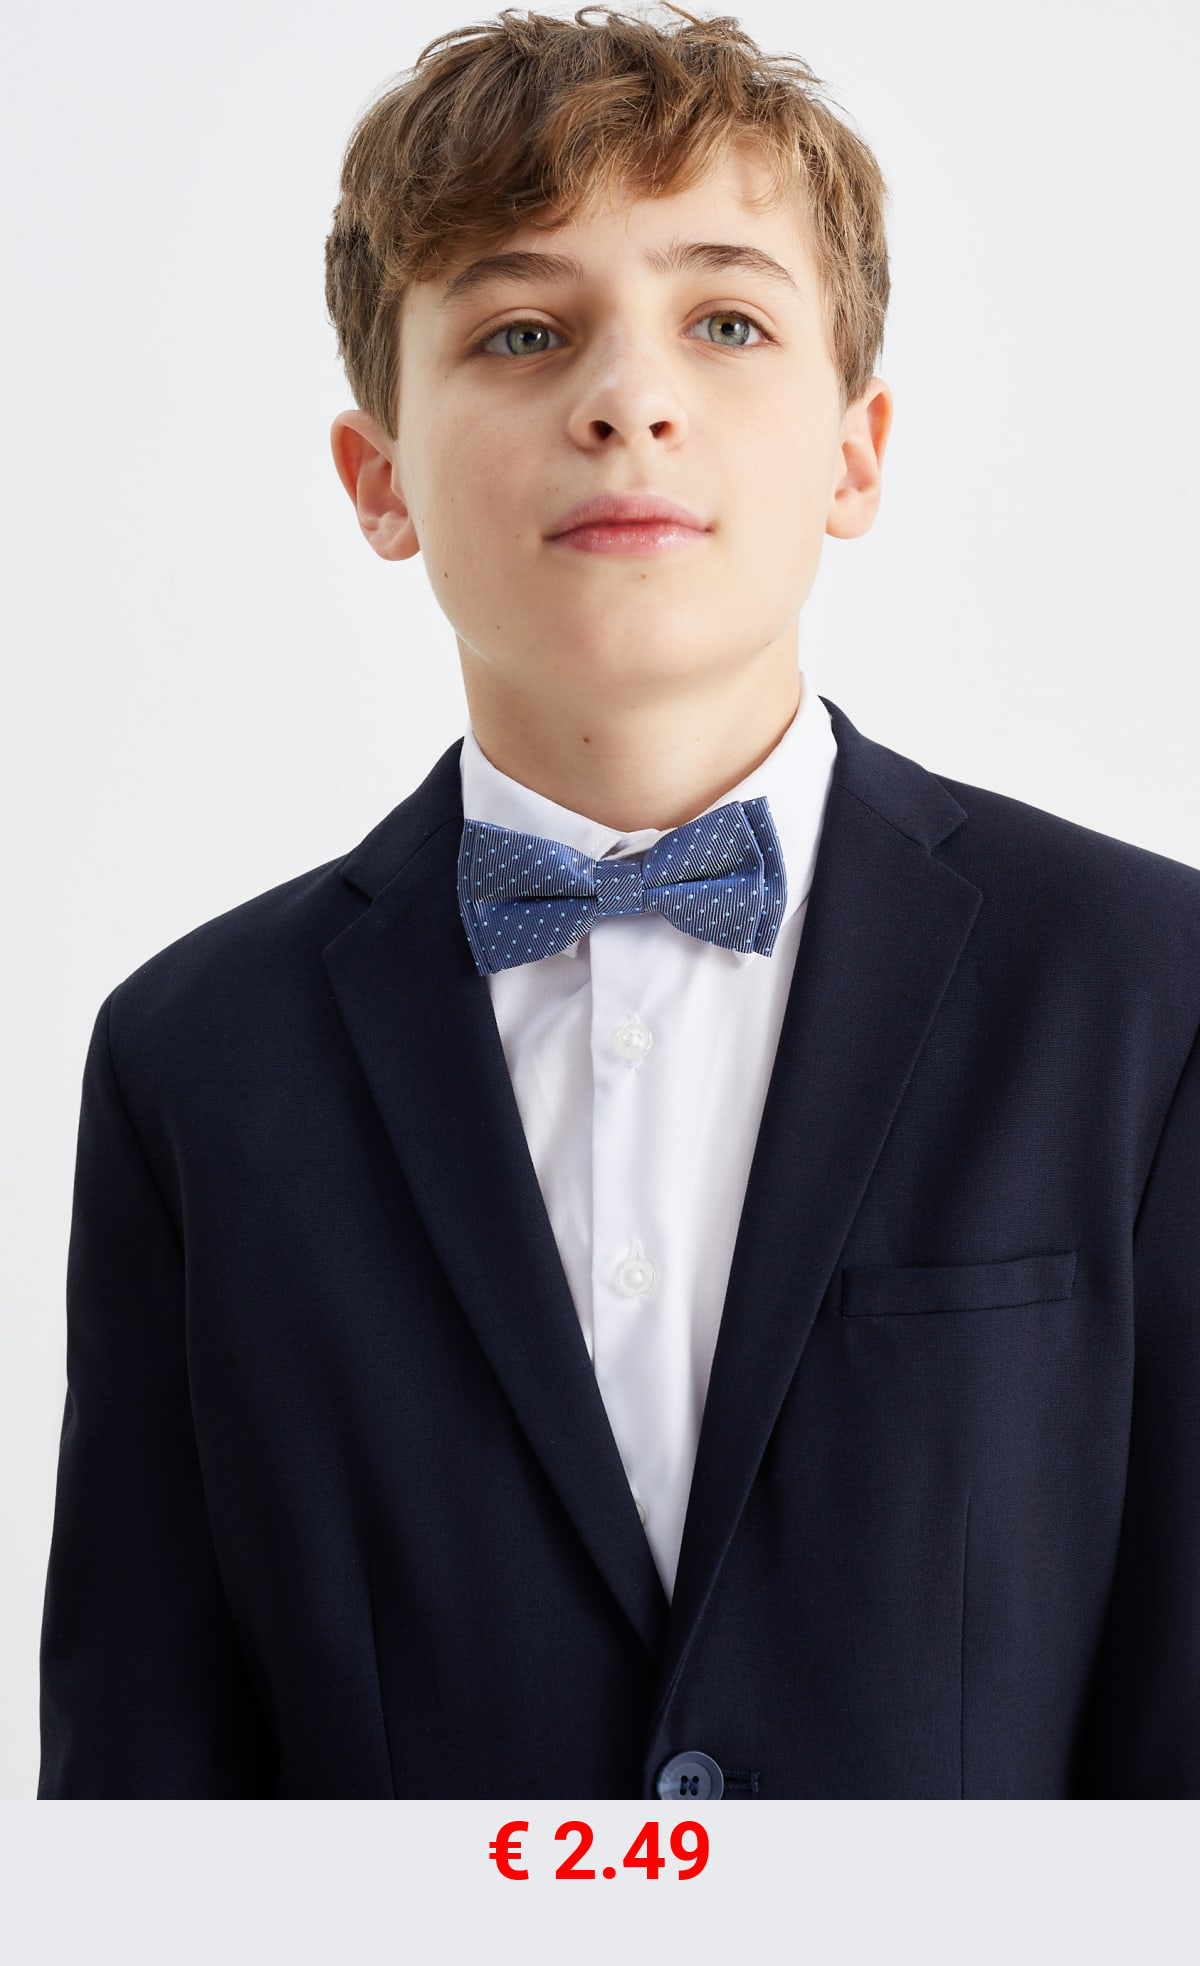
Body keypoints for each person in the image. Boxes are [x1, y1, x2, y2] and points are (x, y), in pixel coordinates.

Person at [37, 4, 1200, 1800]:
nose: (628, 398)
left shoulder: (1146, 993)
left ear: (856, 451)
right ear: (378, 478)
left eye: (725, 322)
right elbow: (147, 1793)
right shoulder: (192, 1062)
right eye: (521, 331)